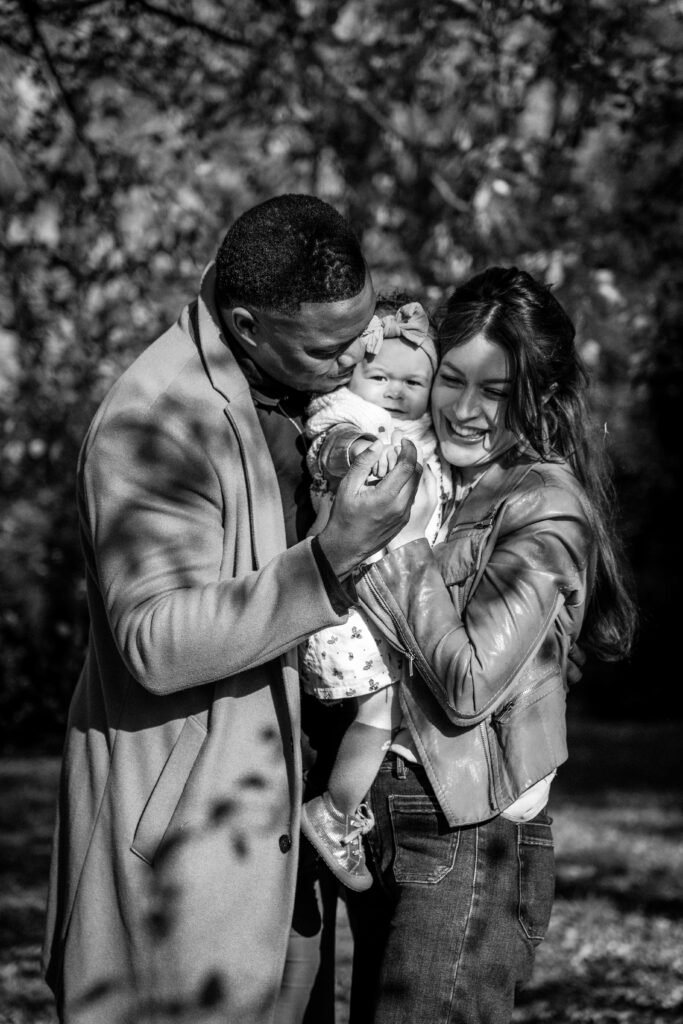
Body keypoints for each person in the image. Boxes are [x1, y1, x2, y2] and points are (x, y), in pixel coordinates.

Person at [41, 193, 423, 1024]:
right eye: (328, 346)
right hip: (184, 860)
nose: (358, 353)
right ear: (246, 326)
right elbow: (155, 641)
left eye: (361, 327)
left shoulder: (295, 382)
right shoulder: (155, 422)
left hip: (279, 834)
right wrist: (331, 557)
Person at [344, 266, 637, 1024]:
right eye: (451, 379)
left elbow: (471, 682)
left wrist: (399, 550)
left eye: (496, 391)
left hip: (471, 831)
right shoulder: (442, 481)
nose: (465, 409)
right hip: (395, 814)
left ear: (539, 396)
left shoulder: (545, 502)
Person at [299, 295, 453, 892]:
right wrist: (362, 453)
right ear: (352, 373)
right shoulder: (350, 419)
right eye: (380, 376)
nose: (394, 391)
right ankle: (334, 814)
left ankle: (333, 819)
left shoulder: (427, 435)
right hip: (354, 609)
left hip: (392, 604)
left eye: (413, 382)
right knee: (381, 711)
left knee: (390, 709)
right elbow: (332, 444)